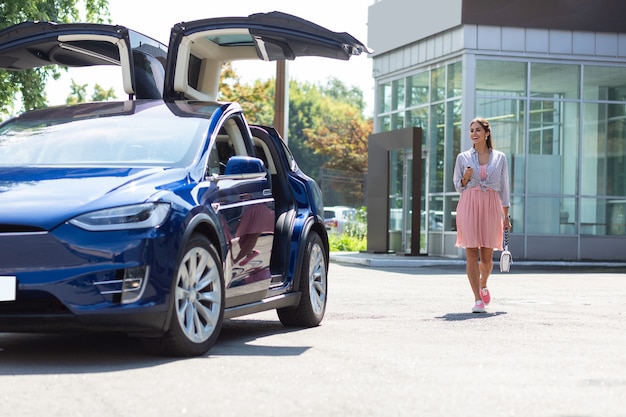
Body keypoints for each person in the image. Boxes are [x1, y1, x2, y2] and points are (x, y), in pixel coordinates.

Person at [454, 117, 511, 313]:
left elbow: (504, 188)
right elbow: (458, 186)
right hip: (469, 203)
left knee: (486, 259)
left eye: (477, 130)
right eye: (471, 130)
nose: (474, 133)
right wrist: (466, 177)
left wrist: (506, 216)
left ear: (486, 133)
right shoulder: (463, 158)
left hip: (491, 205)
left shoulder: (500, 158)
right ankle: (477, 300)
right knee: (471, 254)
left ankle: (483, 283)